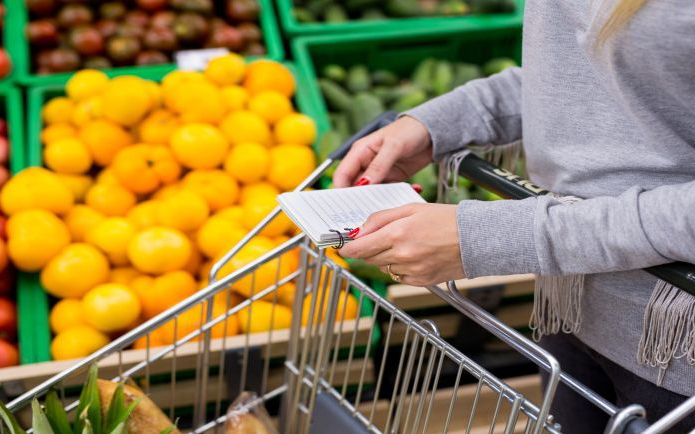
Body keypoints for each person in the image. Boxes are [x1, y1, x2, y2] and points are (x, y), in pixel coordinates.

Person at [334, 0, 695, 432]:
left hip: (675, 348)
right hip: (572, 304)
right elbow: (587, 70)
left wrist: (504, 238)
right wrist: (441, 123)